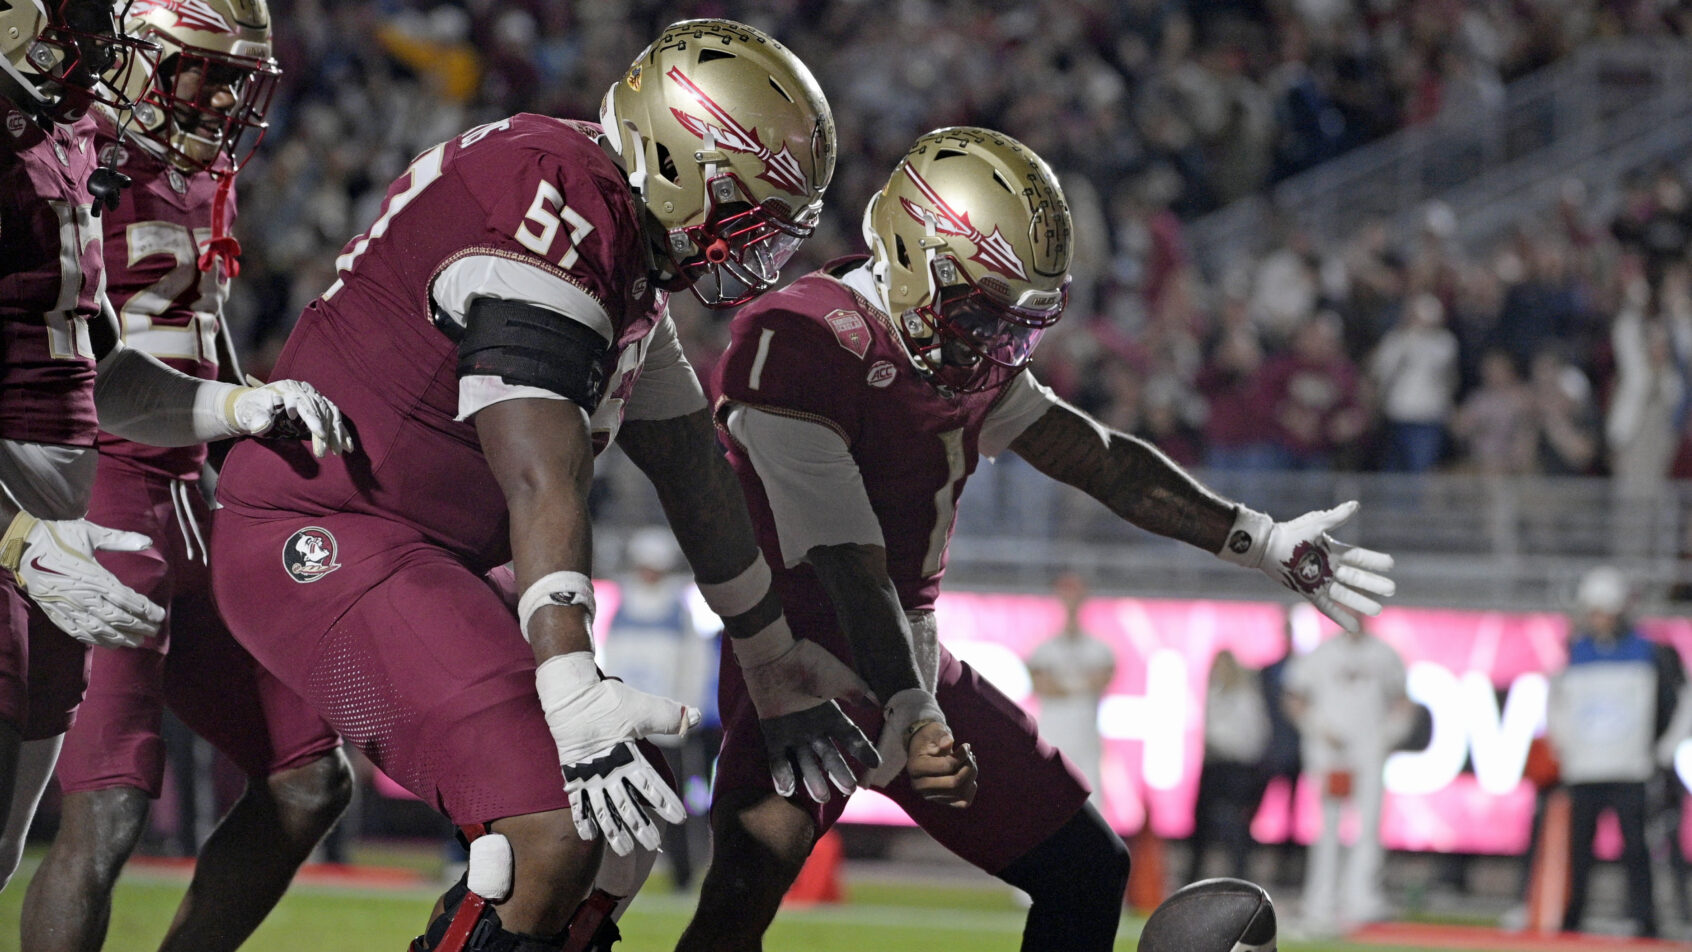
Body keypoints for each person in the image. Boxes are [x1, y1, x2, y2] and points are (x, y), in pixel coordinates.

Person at [206, 19, 869, 952]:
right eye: (741, 210)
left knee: (621, 831)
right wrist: (568, 678)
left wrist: (774, 665)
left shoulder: (619, 243)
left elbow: (693, 472)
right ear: (672, 156)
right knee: (553, 829)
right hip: (327, 526)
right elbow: (538, 469)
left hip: (426, 554)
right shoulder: (551, 192)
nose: (750, 243)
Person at [677, 126, 1396, 952]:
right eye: (984, 312)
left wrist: (1259, 539)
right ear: (914, 257)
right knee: (737, 906)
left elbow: (1095, 457)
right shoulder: (797, 339)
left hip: (912, 651)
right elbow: (847, 562)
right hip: (801, 670)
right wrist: (913, 712)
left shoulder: (956, 345)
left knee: (1086, 869)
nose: (996, 344)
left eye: (1016, 322)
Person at [17, 5, 354, 950]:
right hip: (100, 490)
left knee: (309, 777)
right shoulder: (61, 154)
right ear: (133, 60)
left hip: (190, 496)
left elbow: (196, 342)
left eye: (232, 77)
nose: (216, 97)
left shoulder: (201, 170)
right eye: (194, 70)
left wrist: (258, 424)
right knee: (109, 807)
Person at [1549, 566, 1681, 939]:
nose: (1600, 620)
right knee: (1579, 851)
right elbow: (1558, 707)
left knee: (1636, 849)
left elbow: (1680, 702)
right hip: (1585, 770)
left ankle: (1645, 920)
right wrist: (1564, 749)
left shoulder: (1648, 652)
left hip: (1630, 770)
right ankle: (1572, 919)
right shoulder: (1575, 653)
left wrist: (1665, 750)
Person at [1283, 621, 1410, 936]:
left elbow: (1402, 700)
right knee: (1328, 829)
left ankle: (1362, 901)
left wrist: (1388, 735)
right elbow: (1294, 697)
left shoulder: (1384, 653)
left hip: (1368, 754)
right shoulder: (1322, 653)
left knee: (1368, 829)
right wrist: (1318, 728)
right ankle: (1320, 902)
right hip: (1330, 755)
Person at [600, 528, 709, 891]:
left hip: (667, 728)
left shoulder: (679, 611)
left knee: (674, 804)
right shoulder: (623, 607)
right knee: (618, 802)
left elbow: (695, 666)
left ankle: (683, 875)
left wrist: (685, 715)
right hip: (626, 727)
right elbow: (611, 662)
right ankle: (614, 876)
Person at [1027, 573, 1115, 806]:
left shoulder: (1100, 649)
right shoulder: (1043, 649)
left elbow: (1103, 678)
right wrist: (1082, 682)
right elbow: (1042, 685)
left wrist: (1062, 682)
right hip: (1054, 740)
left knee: (1091, 804)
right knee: (1050, 803)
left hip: (1086, 740)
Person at [1187, 649, 1269, 884]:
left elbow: (1255, 736)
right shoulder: (1213, 694)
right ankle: (1195, 875)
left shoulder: (1246, 697)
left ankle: (1240, 878)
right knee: (1202, 823)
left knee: (1236, 825)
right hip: (1214, 764)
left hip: (1237, 768)